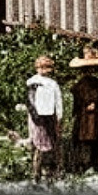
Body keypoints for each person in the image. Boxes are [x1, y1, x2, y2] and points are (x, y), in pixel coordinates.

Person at [67, 46, 98, 174]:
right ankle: (83, 165)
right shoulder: (81, 84)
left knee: (95, 141)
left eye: (92, 69)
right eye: (88, 69)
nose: (90, 71)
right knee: (84, 141)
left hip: (96, 116)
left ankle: (94, 164)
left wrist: (96, 104)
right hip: (84, 117)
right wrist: (85, 105)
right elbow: (77, 98)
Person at [25, 54, 62, 182]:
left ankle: (53, 171)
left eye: (46, 68)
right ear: (37, 68)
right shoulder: (32, 82)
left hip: (50, 116)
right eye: (41, 67)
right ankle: (36, 173)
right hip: (37, 117)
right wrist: (35, 117)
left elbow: (58, 101)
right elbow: (30, 102)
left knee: (53, 144)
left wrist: (59, 116)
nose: (44, 70)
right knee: (38, 145)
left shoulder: (53, 84)